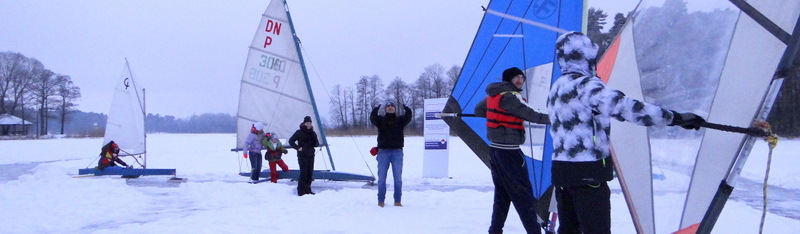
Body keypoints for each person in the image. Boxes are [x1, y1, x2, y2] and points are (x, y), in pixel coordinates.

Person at [547, 32, 705, 234]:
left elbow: (588, 114)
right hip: (588, 173)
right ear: (585, 56)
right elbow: (627, 108)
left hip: (562, 173)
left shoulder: (558, 86)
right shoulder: (586, 85)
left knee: (570, 230)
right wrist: (675, 118)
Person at [474, 67, 550, 234]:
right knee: (523, 194)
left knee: (502, 194)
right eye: (516, 77)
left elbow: (478, 111)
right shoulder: (510, 97)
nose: (520, 80)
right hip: (509, 152)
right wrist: (557, 118)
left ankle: (495, 230)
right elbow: (531, 115)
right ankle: (534, 231)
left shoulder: (494, 94)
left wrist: (498, 117)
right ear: (508, 79)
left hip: (495, 151)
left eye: (522, 78)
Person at [370, 101, 412, 207]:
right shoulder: (380, 120)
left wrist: (407, 108)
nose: (390, 107)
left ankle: (397, 201)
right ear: (385, 109)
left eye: (392, 106)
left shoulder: (400, 120)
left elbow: (408, 117)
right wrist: (375, 109)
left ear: (395, 109)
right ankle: (381, 201)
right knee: (381, 179)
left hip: (397, 152)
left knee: (397, 179)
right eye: (388, 106)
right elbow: (372, 119)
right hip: (383, 152)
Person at [289, 116, 319, 196]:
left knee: (310, 173)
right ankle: (301, 191)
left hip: (311, 155)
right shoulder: (299, 132)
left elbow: (316, 143)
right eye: (307, 123)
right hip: (302, 155)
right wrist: (298, 148)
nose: (308, 124)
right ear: (304, 123)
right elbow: (291, 141)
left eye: (310, 123)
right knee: (303, 173)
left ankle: (308, 190)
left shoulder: (312, 132)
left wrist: (315, 144)